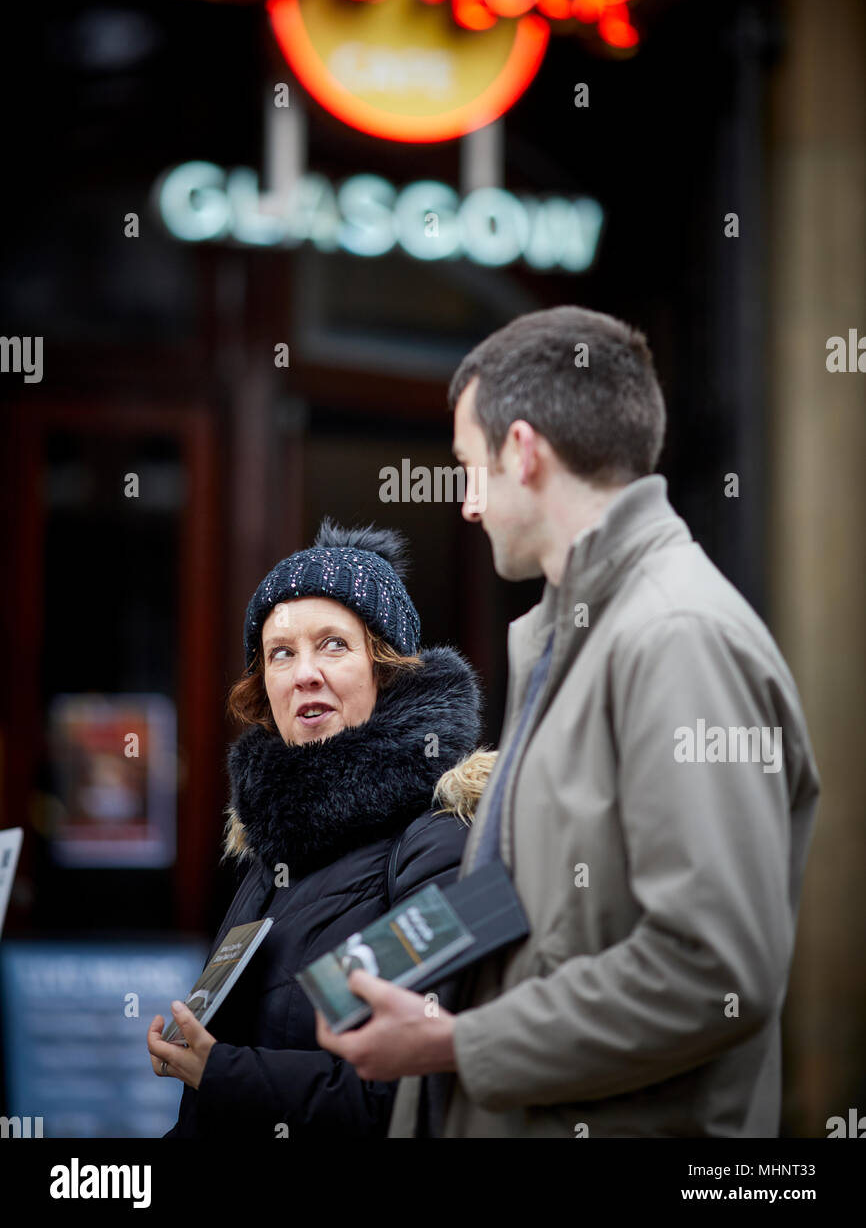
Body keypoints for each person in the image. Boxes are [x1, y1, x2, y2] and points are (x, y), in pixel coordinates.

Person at [317, 305, 821, 1138]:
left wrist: (455, 1043)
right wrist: (376, 969)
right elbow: (530, 901)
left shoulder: (675, 636)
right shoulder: (579, 632)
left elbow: (713, 970)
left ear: (523, 450)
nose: (467, 505)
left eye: (469, 467)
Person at [147, 518, 489, 1138]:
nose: (304, 672)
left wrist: (219, 1071)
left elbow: (405, 1101)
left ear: (386, 670)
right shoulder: (271, 847)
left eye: (333, 644)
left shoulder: (439, 841)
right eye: (281, 653)